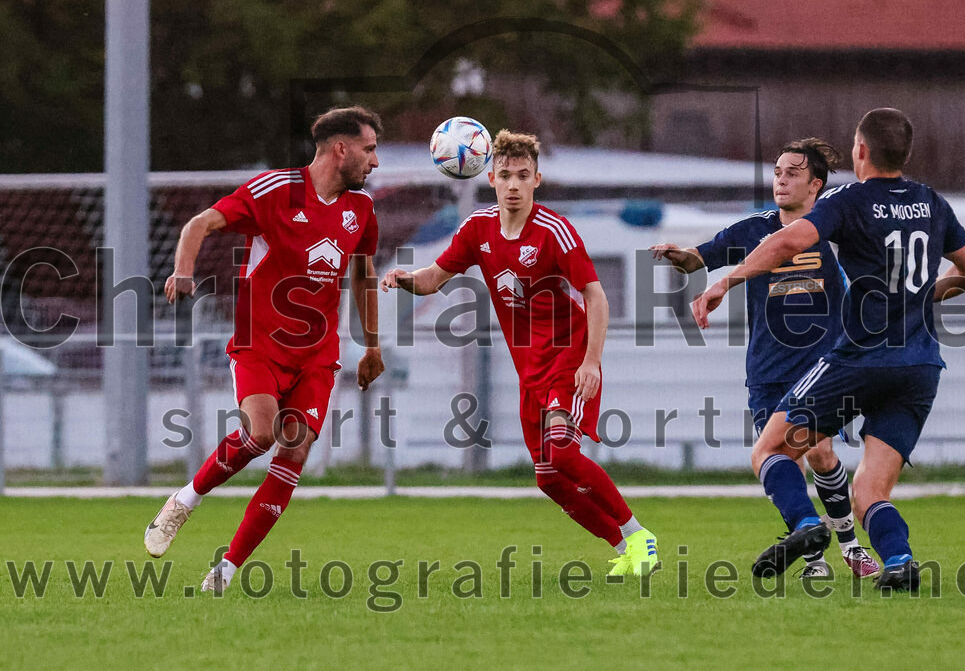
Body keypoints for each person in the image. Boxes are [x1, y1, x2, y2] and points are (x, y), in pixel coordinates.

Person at [692, 108, 965, 591]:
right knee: (870, 491)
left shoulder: (849, 200)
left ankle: (808, 527)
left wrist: (728, 280)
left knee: (770, 448)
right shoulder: (931, 202)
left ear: (862, 151)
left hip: (858, 359)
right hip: (920, 365)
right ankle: (899, 563)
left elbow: (789, 240)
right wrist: (924, 295)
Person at [380, 130, 659, 576]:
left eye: (522, 175)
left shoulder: (555, 231)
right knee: (548, 479)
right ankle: (624, 545)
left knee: (565, 455)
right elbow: (434, 278)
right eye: (505, 175)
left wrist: (590, 362)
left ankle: (640, 536)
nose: (513, 184)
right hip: (531, 369)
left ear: (537, 180)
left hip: (569, 356)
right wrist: (404, 277)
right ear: (490, 177)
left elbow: (596, 296)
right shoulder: (477, 229)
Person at [144, 106, 387, 593]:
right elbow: (199, 224)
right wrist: (184, 271)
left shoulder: (360, 211)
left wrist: (373, 345)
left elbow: (363, 275)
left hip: (318, 356)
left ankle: (225, 571)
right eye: (370, 149)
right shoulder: (275, 190)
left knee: (295, 449)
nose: (375, 162)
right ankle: (184, 502)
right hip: (260, 348)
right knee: (260, 433)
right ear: (340, 149)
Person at [650, 138, 880, 579]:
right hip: (766, 368)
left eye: (792, 173)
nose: (781, 180)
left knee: (819, 450)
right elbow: (703, 257)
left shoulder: (833, 230)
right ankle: (814, 556)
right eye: (777, 172)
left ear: (815, 185)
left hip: (822, 364)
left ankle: (850, 547)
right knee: (782, 460)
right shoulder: (752, 229)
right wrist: (682, 257)